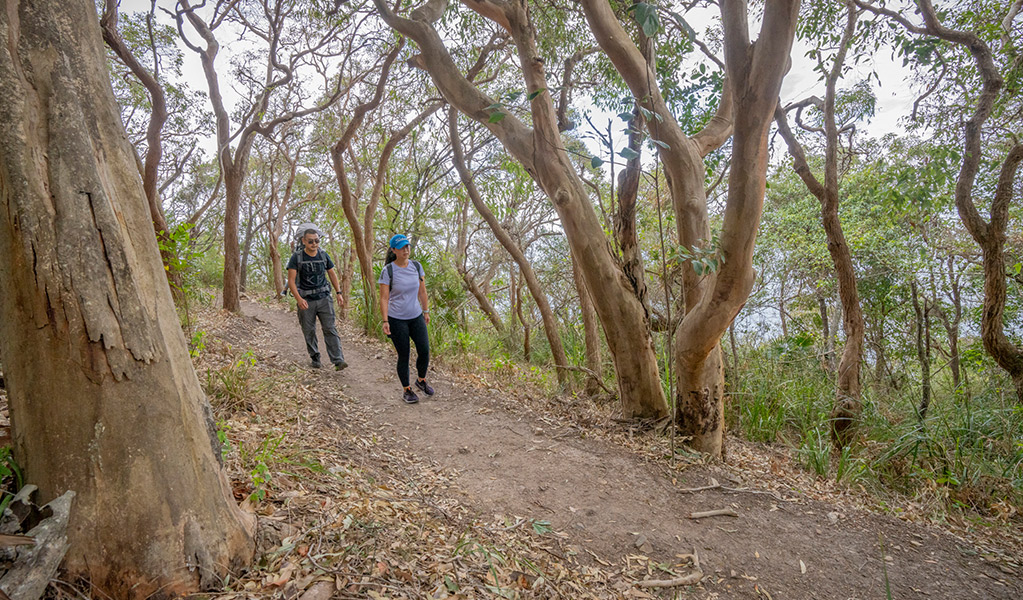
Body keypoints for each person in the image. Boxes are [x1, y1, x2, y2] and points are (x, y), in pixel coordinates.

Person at [378, 234, 434, 404]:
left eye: (407, 247)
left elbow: (422, 291)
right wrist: (385, 321)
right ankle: (407, 390)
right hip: (396, 319)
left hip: (415, 316)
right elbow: (384, 298)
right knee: (404, 354)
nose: (406, 250)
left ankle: (421, 380)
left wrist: (425, 311)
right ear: (394, 250)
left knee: (424, 350)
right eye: (402, 247)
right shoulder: (388, 271)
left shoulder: (416, 266)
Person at [286, 228, 348, 370]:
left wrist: (339, 293)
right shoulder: (297, 257)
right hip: (306, 300)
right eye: (311, 241)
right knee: (309, 330)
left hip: (324, 299)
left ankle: (338, 360)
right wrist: (298, 299)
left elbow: (332, 273)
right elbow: (291, 280)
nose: (314, 244)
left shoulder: (323, 255)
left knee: (330, 328)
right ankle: (315, 357)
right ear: (304, 241)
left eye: (317, 241)